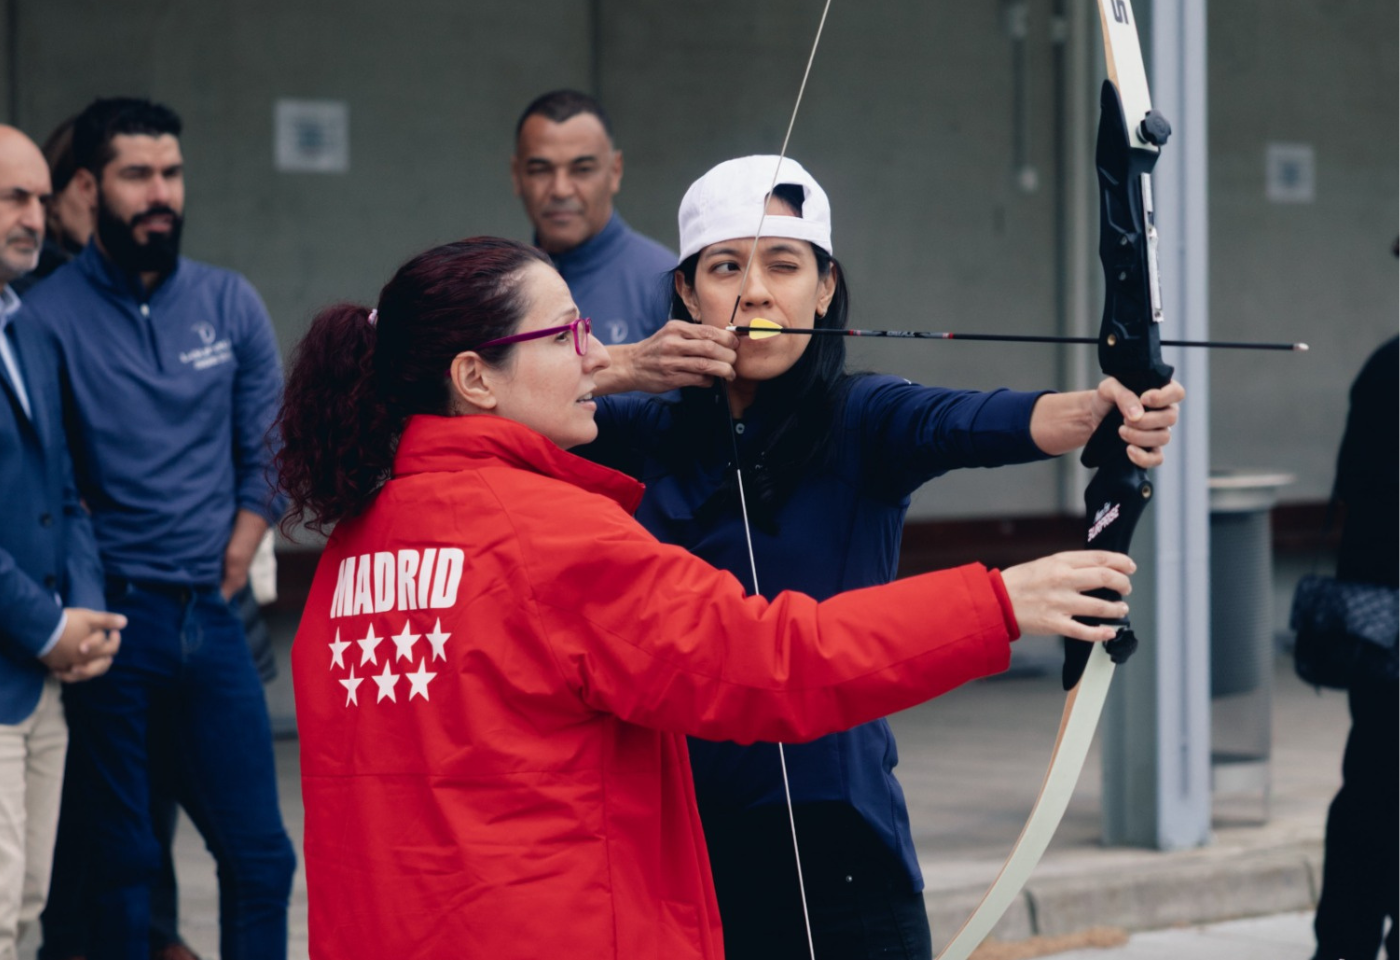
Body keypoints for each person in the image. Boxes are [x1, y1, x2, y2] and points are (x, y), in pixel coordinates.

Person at [276, 236, 1139, 959]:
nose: (597, 355)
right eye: (566, 335)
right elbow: (769, 663)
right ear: (473, 377)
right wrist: (997, 604)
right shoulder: (550, 537)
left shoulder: (359, 543)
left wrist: (1074, 415)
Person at [583, 155, 1185, 959]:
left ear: (825, 288)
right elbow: (428, 385)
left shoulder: (863, 418)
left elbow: (973, 421)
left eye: (783, 265)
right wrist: (622, 366)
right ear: (687, 293)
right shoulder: (639, 430)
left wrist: (1101, 412)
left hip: (844, 846)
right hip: (679, 839)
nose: (755, 291)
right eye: (725, 266)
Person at [20, 97, 296, 960]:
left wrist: (240, 550)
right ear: (90, 190)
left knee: (260, 856)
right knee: (124, 866)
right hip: (115, 626)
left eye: (171, 174)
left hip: (212, 620)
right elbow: (52, 486)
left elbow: (269, 454)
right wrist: (96, 601)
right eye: (137, 176)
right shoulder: (43, 319)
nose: (160, 194)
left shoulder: (228, 301)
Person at [0, 123, 122, 960]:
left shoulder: (29, 330)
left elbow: (67, 494)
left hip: (41, 684)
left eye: (41, 199)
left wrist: (83, 608)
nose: (36, 218)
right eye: (14, 197)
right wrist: (46, 630)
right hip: (16, 657)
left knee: (27, 908)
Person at [1310, 332, 1398, 960]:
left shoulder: (1384, 365)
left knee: (1370, 787)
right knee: (1375, 789)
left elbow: (1351, 491)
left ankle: (1344, 942)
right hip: (1385, 624)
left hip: (1375, 627)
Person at [511, 89, 674, 345]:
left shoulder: (666, 285)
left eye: (582, 170)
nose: (561, 189)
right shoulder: (502, 290)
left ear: (615, 171)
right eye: (540, 170)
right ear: (516, 175)